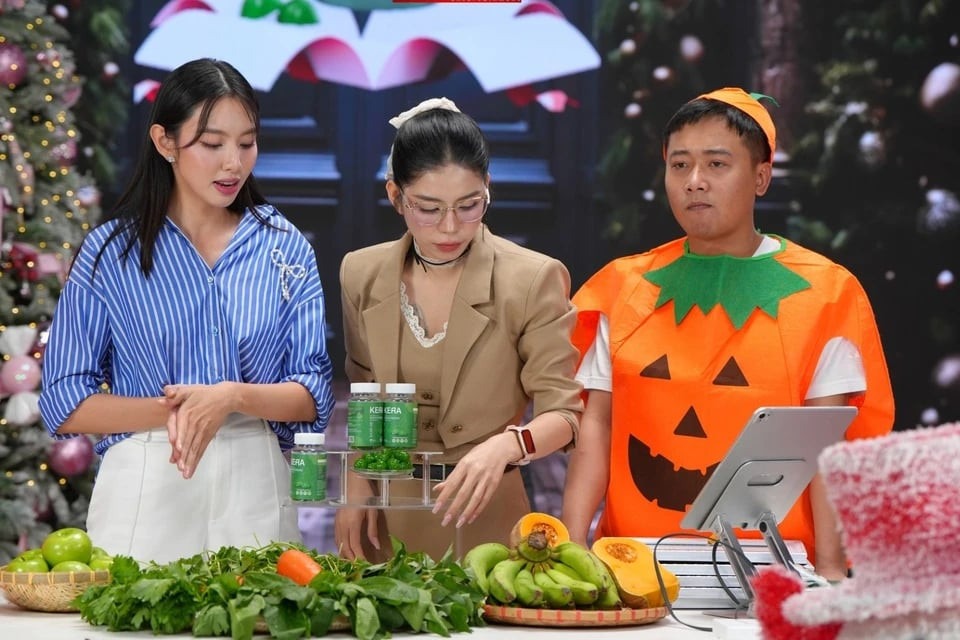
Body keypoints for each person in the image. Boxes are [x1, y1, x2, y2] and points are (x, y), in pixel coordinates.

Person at [561, 88, 894, 581]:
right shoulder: (624, 287)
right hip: (632, 565)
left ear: (761, 177)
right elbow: (597, 424)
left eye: (717, 164)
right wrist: (571, 547)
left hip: (775, 570)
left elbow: (828, 443)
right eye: (680, 165)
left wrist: (830, 572)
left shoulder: (824, 293)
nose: (695, 181)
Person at [39, 58, 336, 563]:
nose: (233, 163)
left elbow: (314, 391)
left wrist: (232, 397)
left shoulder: (284, 246)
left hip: (256, 486)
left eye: (247, 143)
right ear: (165, 142)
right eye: (213, 144)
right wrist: (183, 410)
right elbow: (65, 401)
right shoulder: (109, 253)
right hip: (144, 486)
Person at [335, 98, 583, 562]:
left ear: (488, 188)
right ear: (395, 196)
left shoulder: (532, 278)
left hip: (487, 512)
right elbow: (364, 391)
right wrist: (355, 483)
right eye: (428, 208)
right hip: (387, 513)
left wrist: (507, 446)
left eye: (470, 205)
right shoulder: (361, 274)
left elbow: (565, 417)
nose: (450, 227)